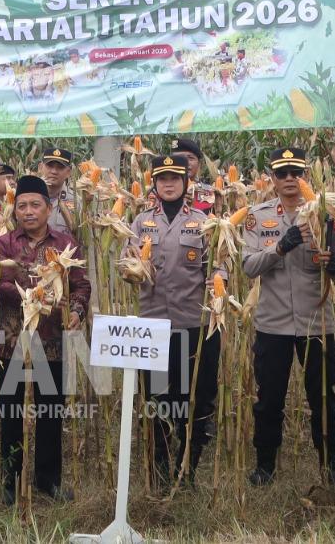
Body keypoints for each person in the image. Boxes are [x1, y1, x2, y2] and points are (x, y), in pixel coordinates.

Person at [244, 146, 335, 485]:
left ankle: (330, 465)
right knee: (269, 399)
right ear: (272, 178)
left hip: (316, 323)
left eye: (296, 173)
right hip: (273, 324)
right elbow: (248, 266)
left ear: (305, 176)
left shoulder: (327, 216)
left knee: (324, 398)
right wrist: (280, 247)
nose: (290, 179)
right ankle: (265, 466)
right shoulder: (257, 217)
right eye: (282, 173)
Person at [123, 153, 222, 487]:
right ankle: (160, 467)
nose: (168, 184)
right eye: (162, 179)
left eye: (174, 178)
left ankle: (187, 465)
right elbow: (126, 263)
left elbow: (218, 265)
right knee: (156, 400)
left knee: (192, 399)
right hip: (152, 325)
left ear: (185, 183)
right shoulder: (140, 222)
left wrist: (218, 284)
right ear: (154, 184)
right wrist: (132, 268)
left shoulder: (203, 221)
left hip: (192, 324)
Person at [0, 174, 90, 505]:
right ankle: (11, 479)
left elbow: (81, 284)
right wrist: (33, 294)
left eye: (35, 205)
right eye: (22, 206)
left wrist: (76, 311)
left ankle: (48, 479)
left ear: (49, 209)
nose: (29, 211)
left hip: (52, 343)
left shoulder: (65, 243)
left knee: (50, 411)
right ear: (15, 210)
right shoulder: (4, 244)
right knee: (11, 412)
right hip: (13, 342)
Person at [37, 147, 81, 236]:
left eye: (60, 167)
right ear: (40, 167)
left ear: (68, 172)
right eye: (50, 166)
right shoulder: (26, 197)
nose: (54, 171)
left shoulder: (77, 202)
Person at [168, 137, 219, 214]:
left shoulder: (210, 193)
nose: (185, 162)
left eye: (190, 158)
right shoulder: (160, 192)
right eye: (179, 158)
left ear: (199, 163)